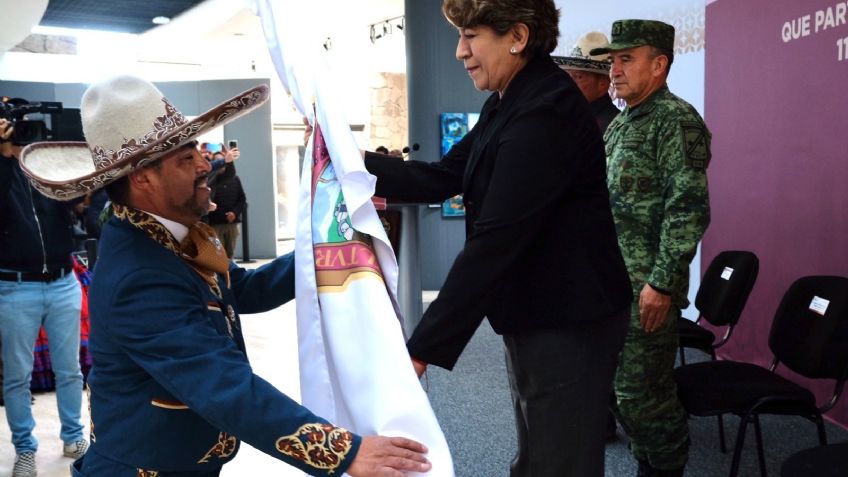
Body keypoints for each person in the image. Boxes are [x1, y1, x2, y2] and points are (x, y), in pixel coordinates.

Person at [18, 75, 431, 477]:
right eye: (185, 158)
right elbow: (223, 385)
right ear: (142, 178)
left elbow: (245, 289)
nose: (204, 164)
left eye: (197, 149)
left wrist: (329, 242)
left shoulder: (169, 235)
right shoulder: (139, 275)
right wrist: (343, 452)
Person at [364, 1, 632, 475]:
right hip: (537, 310)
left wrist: (421, 350)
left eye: (471, 36)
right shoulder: (509, 101)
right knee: (537, 455)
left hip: (569, 319)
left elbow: (496, 241)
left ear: (518, 37)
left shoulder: (546, 110)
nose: (459, 52)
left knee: (559, 463)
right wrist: (347, 160)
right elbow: (442, 175)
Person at [590, 19, 711, 477]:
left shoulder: (676, 122)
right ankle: (648, 461)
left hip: (647, 290)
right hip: (613, 284)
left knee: (643, 396)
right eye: (613, 61)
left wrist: (661, 283)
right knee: (622, 392)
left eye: (626, 59)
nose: (615, 70)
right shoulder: (622, 124)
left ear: (658, 65)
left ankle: (664, 466)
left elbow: (688, 209)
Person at [0, 118, 88, 477]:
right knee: (17, 376)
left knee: (70, 370)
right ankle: (25, 449)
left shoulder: (45, 172)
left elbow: (76, 212)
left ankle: (74, 436)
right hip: (15, 286)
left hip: (63, 280)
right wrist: (4, 157)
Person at [553, 31, 620, 133]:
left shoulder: (614, 126)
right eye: (568, 76)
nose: (570, 83)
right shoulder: (567, 117)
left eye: (579, 77)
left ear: (603, 83)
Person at [207, 159, 246, 258]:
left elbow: (242, 199)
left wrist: (234, 213)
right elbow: (210, 201)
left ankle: (229, 273)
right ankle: (221, 273)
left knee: (230, 253)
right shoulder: (211, 180)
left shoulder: (235, 179)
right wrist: (225, 215)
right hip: (216, 223)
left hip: (232, 223)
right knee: (218, 254)